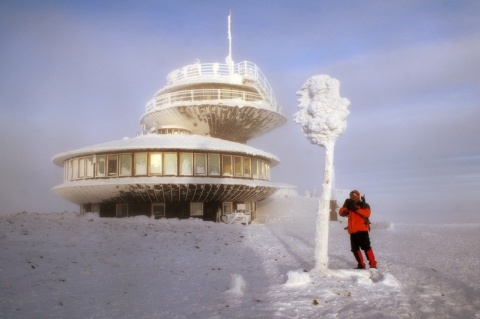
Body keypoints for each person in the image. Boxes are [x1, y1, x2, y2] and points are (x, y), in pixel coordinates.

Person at [339, 190, 377, 269]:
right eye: (351, 194)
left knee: (366, 247)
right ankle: (361, 265)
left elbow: (367, 214)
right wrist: (345, 205)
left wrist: (356, 209)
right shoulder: (349, 205)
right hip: (353, 231)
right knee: (355, 249)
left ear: (358, 195)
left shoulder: (363, 204)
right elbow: (341, 213)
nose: (352, 196)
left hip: (362, 230)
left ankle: (373, 264)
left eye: (354, 194)